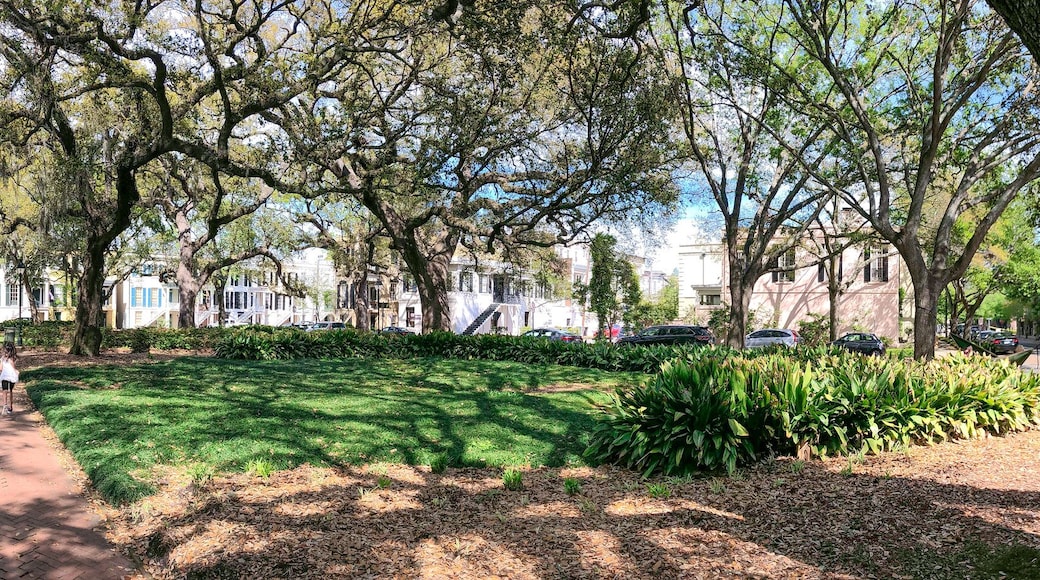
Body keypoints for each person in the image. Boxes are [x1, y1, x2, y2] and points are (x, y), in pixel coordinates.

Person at [0, 342, 18, 416]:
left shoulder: (3, 359)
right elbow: (14, 368)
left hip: (4, 375)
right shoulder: (13, 358)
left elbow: (0, 368)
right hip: (11, 376)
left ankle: (5, 405)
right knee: (10, 390)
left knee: (5, 391)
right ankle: (10, 406)